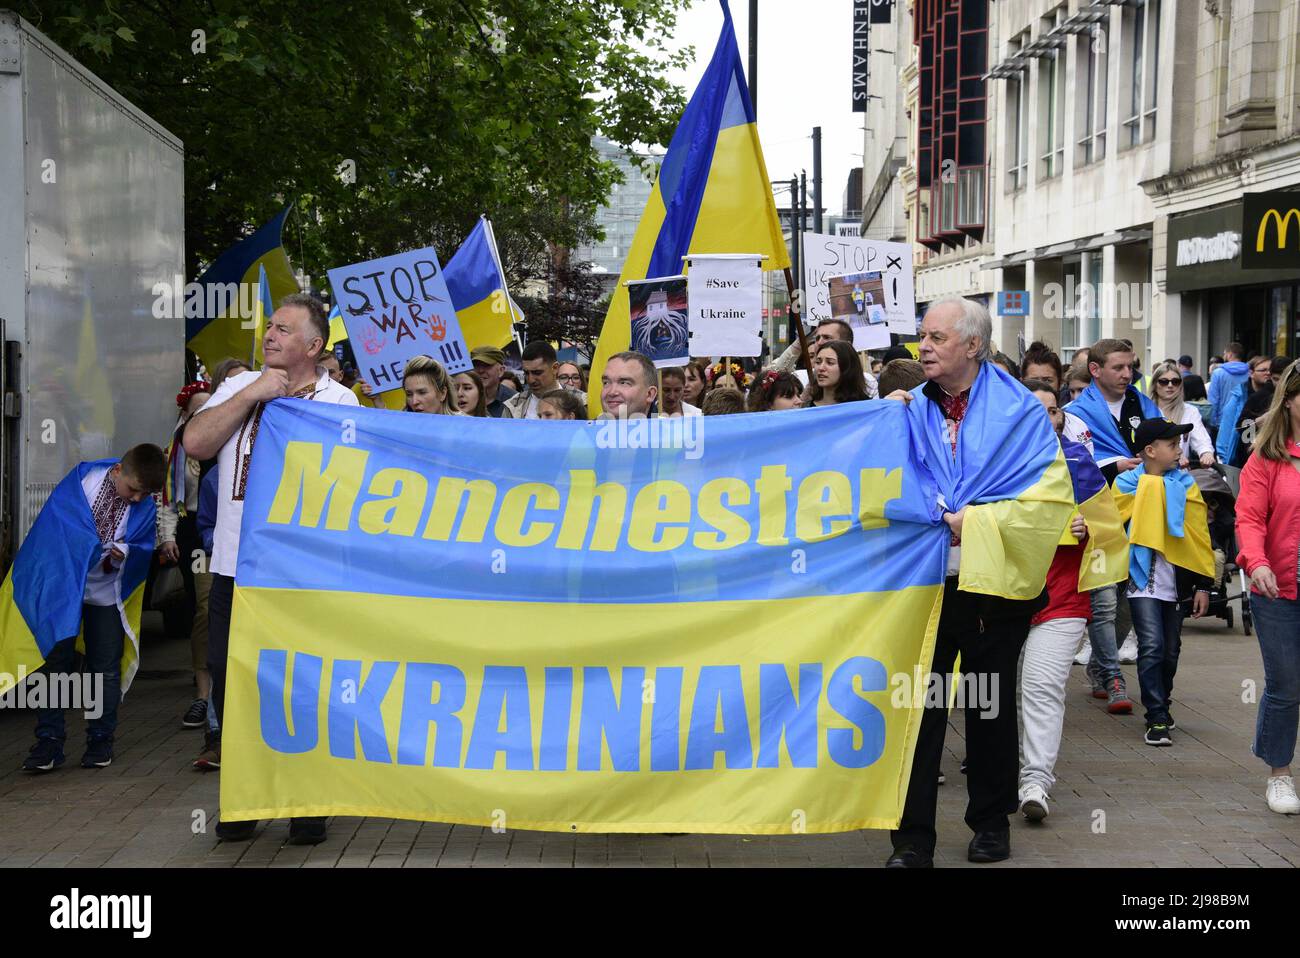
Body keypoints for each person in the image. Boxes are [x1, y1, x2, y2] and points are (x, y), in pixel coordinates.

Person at [884, 297, 1072, 868]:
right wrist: (880, 425)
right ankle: (912, 839)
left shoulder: (1019, 412)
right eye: (923, 336)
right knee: (920, 714)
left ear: (972, 345)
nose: (926, 346)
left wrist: (978, 522)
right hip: (920, 587)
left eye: (937, 337)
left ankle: (991, 822)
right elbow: (874, 483)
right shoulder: (904, 408)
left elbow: (1049, 503)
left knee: (988, 708)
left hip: (991, 589)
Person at [182, 292, 359, 845]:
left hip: (303, 573)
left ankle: (306, 803)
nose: (270, 335)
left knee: (302, 685)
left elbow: (348, 481)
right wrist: (255, 391)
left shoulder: (343, 401)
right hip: (237, 568)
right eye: (269, 328)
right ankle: (244, 800)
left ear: (313, 345)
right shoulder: (240, 387)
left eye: (284, 329)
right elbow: (196, 441)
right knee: (236, 687)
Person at [18, 444, 167, 773]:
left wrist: (125, 551)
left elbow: (144, 544)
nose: (137, 499)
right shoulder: (80, 483)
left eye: (145, 494)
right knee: (54, 662)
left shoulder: (142, 503)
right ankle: (49, 742)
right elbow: (52, 529)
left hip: (106, 593)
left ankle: (100, 740)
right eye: (134, 490)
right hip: (64, 587)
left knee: (105, 667)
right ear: (118, 471)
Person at [1063, 338, 1161, 713]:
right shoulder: (1075, 413)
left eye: (1130, 366)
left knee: (1128, 602)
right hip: (1098, 515)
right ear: (1095, 370)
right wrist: (1112, 465)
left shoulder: (1142, 403)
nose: (1127, 374)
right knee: (1103, 601)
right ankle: (1112, 674)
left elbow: (1161, 443)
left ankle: (1098, 664)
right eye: (1119, 367)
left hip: (1140, 514)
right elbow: (1072, 466)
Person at [1017, 380, 1097, 822]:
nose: (1045, 420)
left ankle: (1035, 781)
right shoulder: (990, 465)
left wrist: (1090, 532)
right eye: (1034, 411)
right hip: (1003, 597)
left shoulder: (1079, 462)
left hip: (1062, 600)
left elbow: (1109, 536)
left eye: (1052, 411)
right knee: (1004, 691)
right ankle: (1003, 766)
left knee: (1042, 687)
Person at [1114, 419, 1214, 747]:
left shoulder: (1186, 485)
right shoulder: (1126, 484)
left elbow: (1199, 537)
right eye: (1171, 444)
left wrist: (1203, 584)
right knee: (1152, 645)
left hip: (1177, 580)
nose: (1178, 449)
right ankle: (1155, 715)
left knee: (1171, 650)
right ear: (1150, 451)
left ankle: (1164, 702)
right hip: (1142, 579)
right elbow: (1111, 527)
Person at [1235, 359, 1300, 813]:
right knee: (1287, 682)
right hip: (1278, 589)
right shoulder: (1267, 457)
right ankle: (1279, 773)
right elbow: (1250, 518)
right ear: (1290, 402)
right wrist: (1256, 562)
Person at [157, 381, 215, 729]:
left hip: (229, 527)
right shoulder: (177, 450)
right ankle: (202, 694)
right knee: (205, 608)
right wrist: (167, 538)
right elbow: (168, 499)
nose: (206, 416)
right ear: (185, 414)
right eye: (198, 411)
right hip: (195, 530)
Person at [773, 318, 879, 397]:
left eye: (827, 337)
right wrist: (799, 343)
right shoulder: (802, 377)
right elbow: (772, 378)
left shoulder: (867, 384)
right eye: (817, 338)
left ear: (847, 345)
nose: (819, 342)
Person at [1148, 360, 1214, 468]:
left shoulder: (1190, 411)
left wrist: (1206, 453)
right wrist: (1173, 455)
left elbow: (1201, 439)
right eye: (1164, 381)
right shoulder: (1144, 409)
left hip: (1179, 476)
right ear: (1155, 384)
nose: (1170, 385)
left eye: (1175, 381)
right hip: (1148, 475)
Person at [808, 341, 868, 406]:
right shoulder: (805, 408)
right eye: (818, 362)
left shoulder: (866, 408)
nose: (821, 368)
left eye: (830, 363)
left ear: (847, 367)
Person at [1206, 341, 1250, 430]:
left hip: (1223, 422)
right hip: (1246, 421)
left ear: (1230, 355)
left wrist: (1213, 422)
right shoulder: (1250, 372)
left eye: (1224, 353)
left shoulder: (1218, 373)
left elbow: (1213, 400)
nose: (1223, 356)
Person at [599, 351, 657, 417]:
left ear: (650, 394)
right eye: (606, 383)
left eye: (624, 383)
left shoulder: (668, 427)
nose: (612, 392)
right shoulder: (586, 427)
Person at [471, 345, 516, 418]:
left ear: (501, 370)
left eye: (486, 365)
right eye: (476, 365)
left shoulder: (515, 401)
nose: (480, 370)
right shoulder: (459, 398)